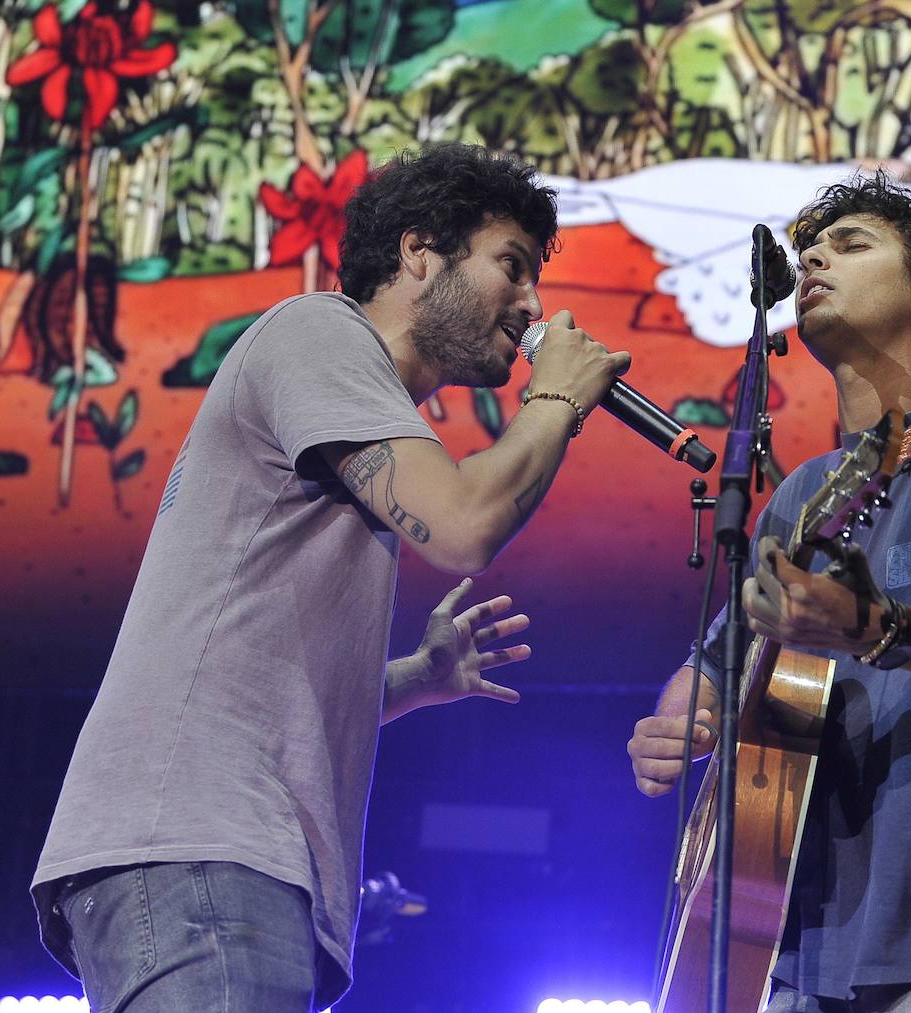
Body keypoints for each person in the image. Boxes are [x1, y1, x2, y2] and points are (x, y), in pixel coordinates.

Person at [31, 143, 629, 1012]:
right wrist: (559, 398)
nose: (533, 305)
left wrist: (413, 682)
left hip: (212, 856)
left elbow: (251, 674)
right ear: (420, 251)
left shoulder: (349, 418)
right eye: (512, 266)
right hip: (201, 846)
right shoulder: (318, 331)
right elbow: (461, 526)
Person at [628, 172, 911, 1010]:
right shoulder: (803, 494)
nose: (811, 261)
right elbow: (717, 659)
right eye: (808, 251)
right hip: (796, 946)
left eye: (850, 245)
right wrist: (681, 714)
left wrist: (873, 626)